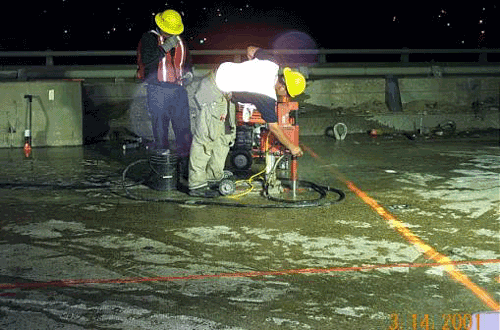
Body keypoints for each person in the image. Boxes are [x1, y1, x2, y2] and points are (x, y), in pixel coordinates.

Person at [187, 46, 306, 197]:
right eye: (287, 94)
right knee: (206, 138)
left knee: (225, 136)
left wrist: (248, 72)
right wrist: (292, 147)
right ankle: (196, 184)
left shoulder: (272, 62)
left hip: (227, 93)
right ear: (282, 86)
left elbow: (250, 49)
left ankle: (213, 176)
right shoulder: (266, 95)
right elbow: (274, 128)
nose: (285, 97)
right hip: (214, 88)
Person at [136, 9, 192, 175]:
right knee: (160, 132)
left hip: (179, 91)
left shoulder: (180, 41)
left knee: (184, 132)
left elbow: (188, 61)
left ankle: (185, 169)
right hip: (157, 90)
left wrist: (189, 73)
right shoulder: (149, 38)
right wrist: (164, 48)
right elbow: (147, 59)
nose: (172, 33)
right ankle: (162, 171)